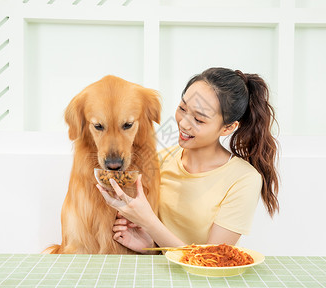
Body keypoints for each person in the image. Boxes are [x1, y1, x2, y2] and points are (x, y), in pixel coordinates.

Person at [96, 67, 279, 253]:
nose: (183, 123)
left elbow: (213, 259)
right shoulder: (160, 160)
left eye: (198, 120)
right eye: (182, 108)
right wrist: (150, 245)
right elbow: (163, 246)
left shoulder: (243, 179)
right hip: (162, 274)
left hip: (207, 281)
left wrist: (149, 222)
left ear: (228, 128)